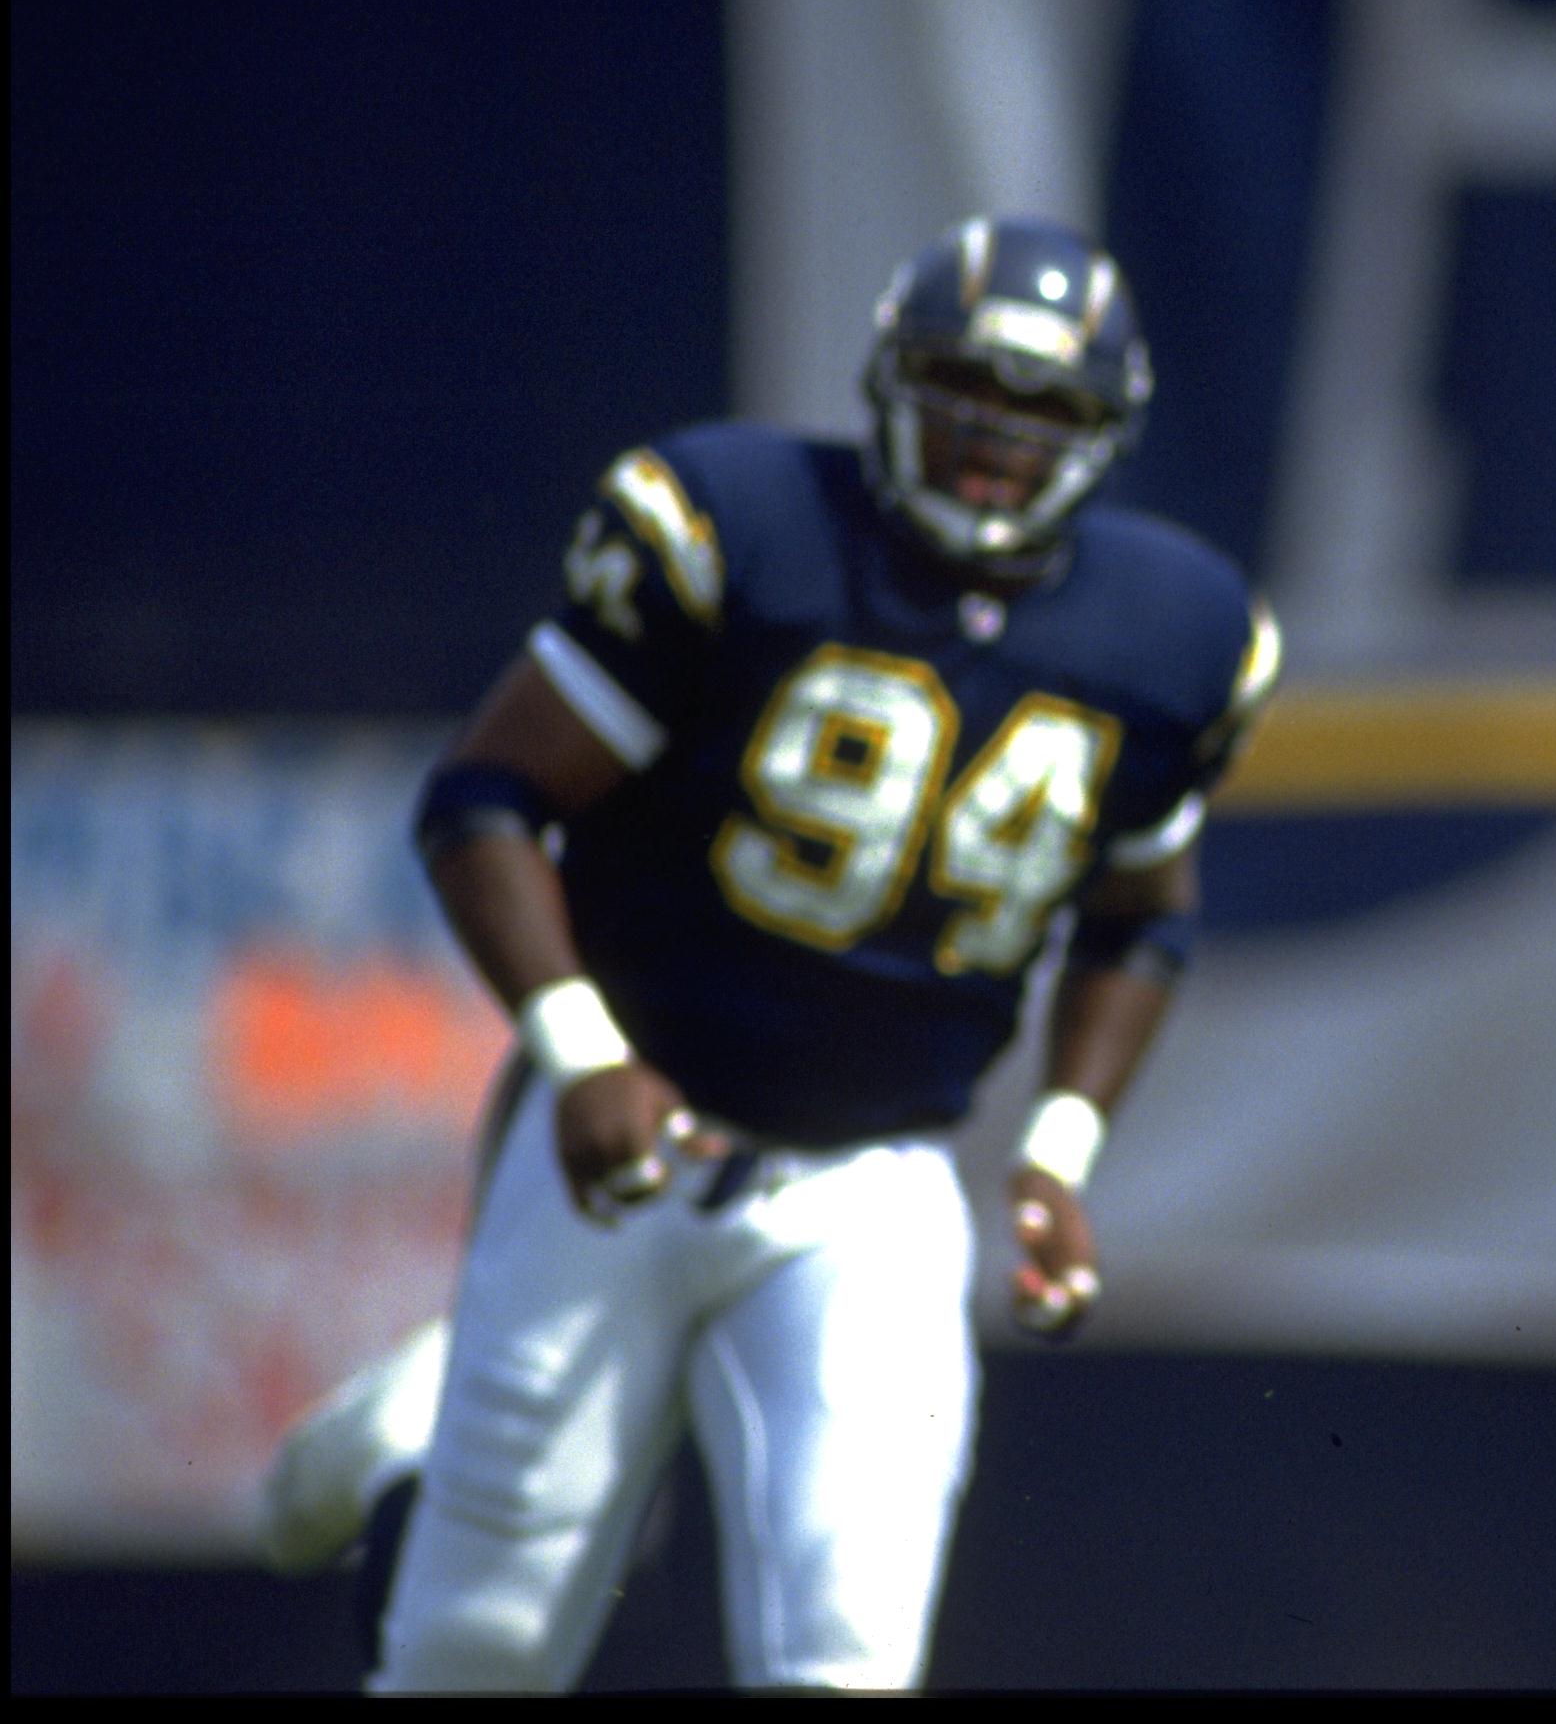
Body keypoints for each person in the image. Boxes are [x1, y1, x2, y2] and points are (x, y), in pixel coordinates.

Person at [255, 215, 1279, 1690]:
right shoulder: (742, 526)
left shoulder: (1173, 631)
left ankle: (435, 1399)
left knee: (842, 1658)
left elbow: (1140, 913)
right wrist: (586, 1050)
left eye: (1046, 405)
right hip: (625, 1141)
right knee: (478, 1652)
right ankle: (416, 1438)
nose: (998, 434)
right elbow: (487, 798)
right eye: (966, 386)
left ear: (1107, 433)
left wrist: (1058, 1148)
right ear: (886, 383)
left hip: (870, 1180)